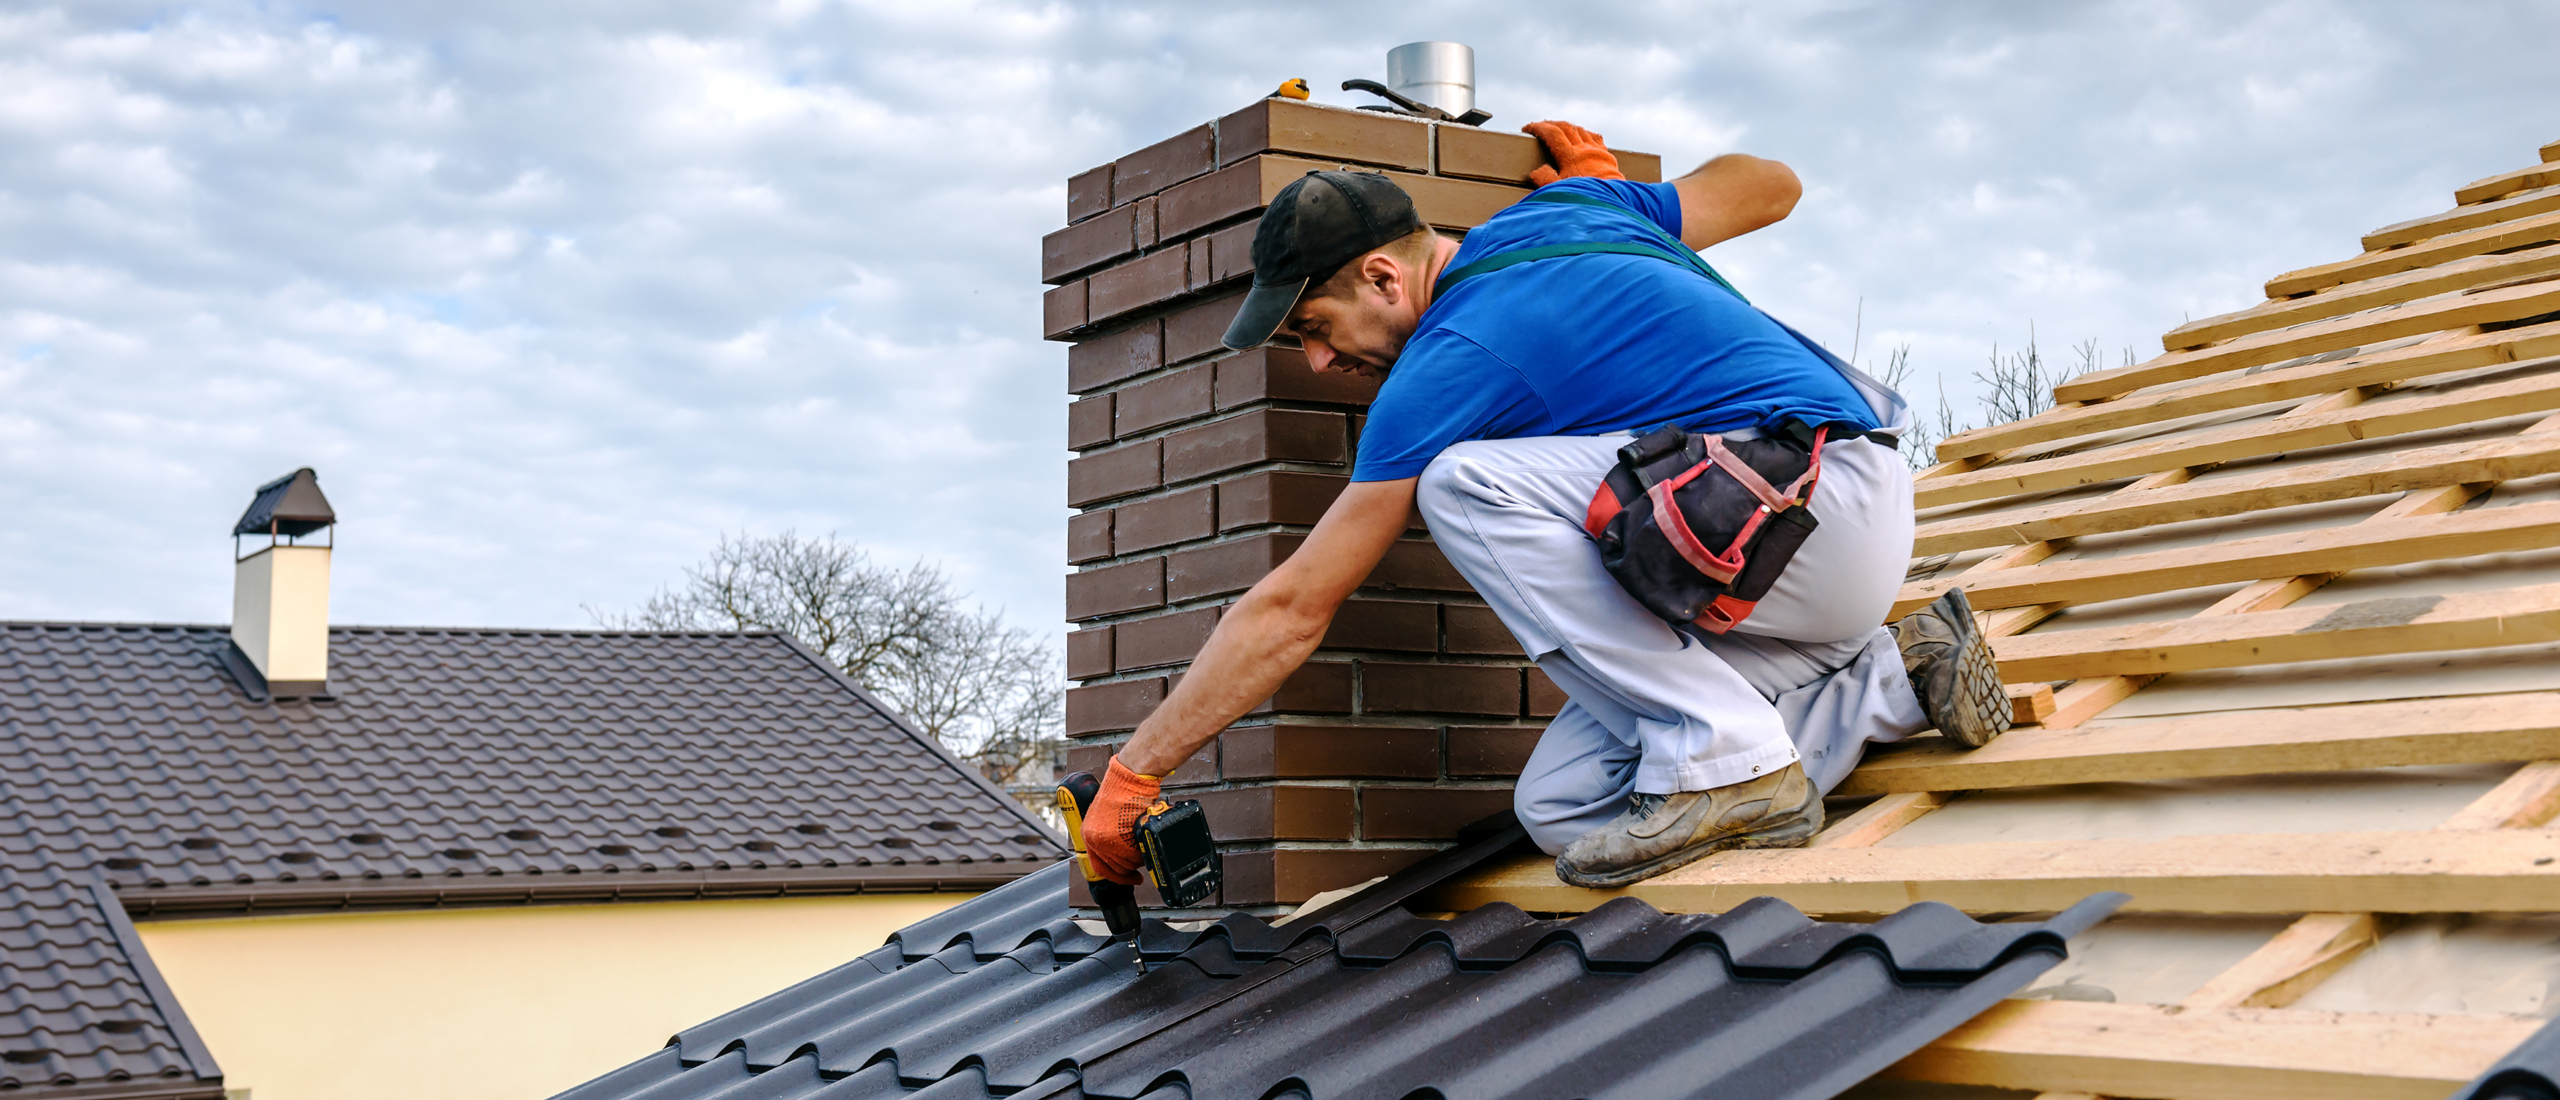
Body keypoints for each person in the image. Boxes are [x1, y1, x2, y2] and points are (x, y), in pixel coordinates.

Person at [1080, 120, 2009, 891]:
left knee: (1465, 481)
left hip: (1809, 504)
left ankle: (1731, 755)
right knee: (1563, 807)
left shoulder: (1448, 360)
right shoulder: (1579, 206)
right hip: (1790, 567)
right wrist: (1631, 205)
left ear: (1381, 278)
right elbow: (1773, 182)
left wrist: (1139, 770)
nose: (1320, 364)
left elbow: (1294, 607)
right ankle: (1895, 679)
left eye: (1315, 329)